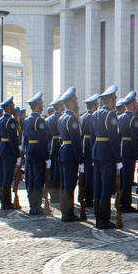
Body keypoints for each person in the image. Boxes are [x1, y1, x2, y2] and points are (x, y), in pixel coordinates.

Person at [92, 85, 121, 229]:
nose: (116, 100)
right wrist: (118, 158)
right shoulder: (110, 115)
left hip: (97, 150)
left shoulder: (96, 113)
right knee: (106, 186)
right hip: (107, 153)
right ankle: (104, 218)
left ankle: (98, 216)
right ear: (110, 99)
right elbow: (114, 138)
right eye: (115, 98)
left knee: (98, 185)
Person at [57, 87, 83, 222]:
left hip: (64, 151)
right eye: (76, 100)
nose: (77, 102)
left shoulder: (62, 117)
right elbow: (76, 141)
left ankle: (65, 210)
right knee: (70, 183)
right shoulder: (72, 119)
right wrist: (81, 159)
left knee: (64, 183)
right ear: (71, 102)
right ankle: (68, 213)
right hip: (71, 153)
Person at [24, 92, 50, 215]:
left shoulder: (27, 120)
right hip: (38, 152)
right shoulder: (39, 120)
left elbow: (24, 139)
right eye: (41, 104)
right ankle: (36, 206)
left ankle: (32, 204)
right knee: (38, 179)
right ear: (36, 106)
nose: (42, 106)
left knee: (31, 179)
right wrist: (46, 156)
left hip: (30, 150)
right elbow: (43, 139)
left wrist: (25, 151)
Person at [0, 97, 21, 210]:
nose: (14, 107)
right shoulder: (11, 121)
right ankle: (6, 203)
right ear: (8, 107)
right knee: (7, 177)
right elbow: (13, 139)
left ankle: (3, 200)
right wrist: (17, 154)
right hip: (8, 151)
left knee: (1, 177)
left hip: (1, 149)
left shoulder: (0, 120)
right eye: (12, 105)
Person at [117, 91, 138, 213]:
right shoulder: (133, 118)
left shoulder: (119, 117)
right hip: (130, 150)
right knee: (128, 178)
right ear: (131, 105)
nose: (136, 106)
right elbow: (135, 138)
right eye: (135, 104)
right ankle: (126, 203)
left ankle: (121, 201)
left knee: (122, 177)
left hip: (121, 149)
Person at [80, 94, 100, 208]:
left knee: (86, 172)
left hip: (84, 143)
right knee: (90, 174)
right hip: (90, 144)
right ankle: (88, 198)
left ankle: (83, 196)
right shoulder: (92, 117)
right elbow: (94, 133)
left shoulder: (82, 116)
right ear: (94, 105)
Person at [46, 98, 65, 203]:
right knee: (58, 170)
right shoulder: (62, 117)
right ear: (59, 106)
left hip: (52, 144)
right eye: (62, 105)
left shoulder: (49, 119)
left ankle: (53, 193)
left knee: (53, 170)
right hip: (60, 144)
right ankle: (57, 193)